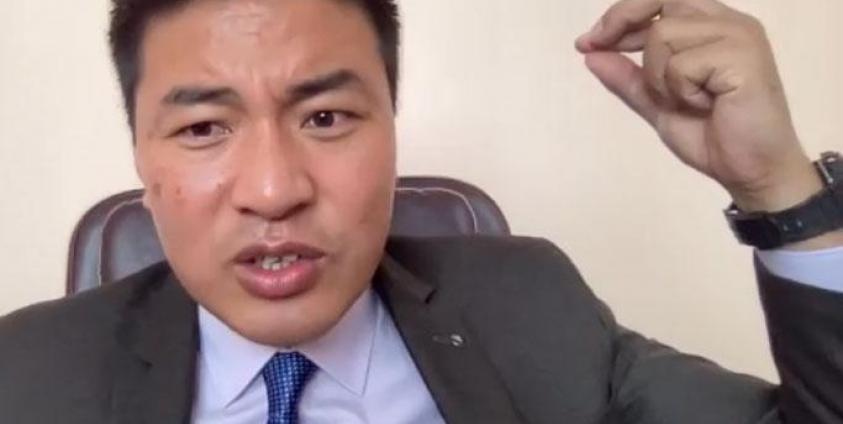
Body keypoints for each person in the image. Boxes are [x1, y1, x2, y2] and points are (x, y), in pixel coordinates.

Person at [1, 0, 842, 422]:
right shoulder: (27, 375)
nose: (273, 189)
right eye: (202, 128)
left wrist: (780, 192)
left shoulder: (530, 306)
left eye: (325, 117)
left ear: (391, 129)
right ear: (141, 157)